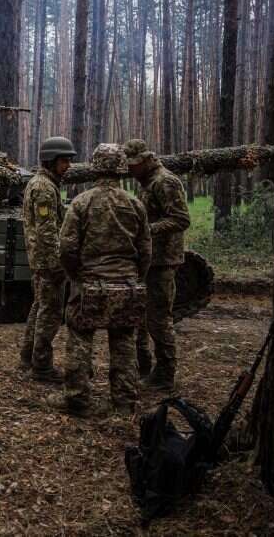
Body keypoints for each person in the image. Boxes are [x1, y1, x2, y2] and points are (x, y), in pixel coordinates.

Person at [46, 144, 151, 417]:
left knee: (80, 341)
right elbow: (146, 250)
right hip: (126, 284)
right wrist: (134, 277)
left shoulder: (82, 203)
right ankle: (124, 403)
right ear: (121, 168)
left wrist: (76, 276)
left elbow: (66, 248)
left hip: (90, 284)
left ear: (94, 167)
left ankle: (77, 399)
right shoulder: (134, 204)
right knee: (124, 343)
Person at [123, 138, 191, 392]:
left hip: (163, 261)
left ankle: (165, 373)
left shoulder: (165, 181)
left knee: (159, 319)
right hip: (150, 260)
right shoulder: (148, 182)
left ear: (144, 160)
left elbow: (181, 219)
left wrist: (147, 231)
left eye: (132, 165)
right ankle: (145, 367)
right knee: (143, 317)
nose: (130, 170)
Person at [19, 136, 76, 382]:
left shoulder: (46, 183)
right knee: (50, 312)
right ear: (51, 161)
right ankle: (41, 366)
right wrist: (57, 262)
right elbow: (46, 229)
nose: (68, 166)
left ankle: (27, 356)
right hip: (48, 260)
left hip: (42, 259)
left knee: (39, 307)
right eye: (64, 161)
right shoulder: (43, 187)